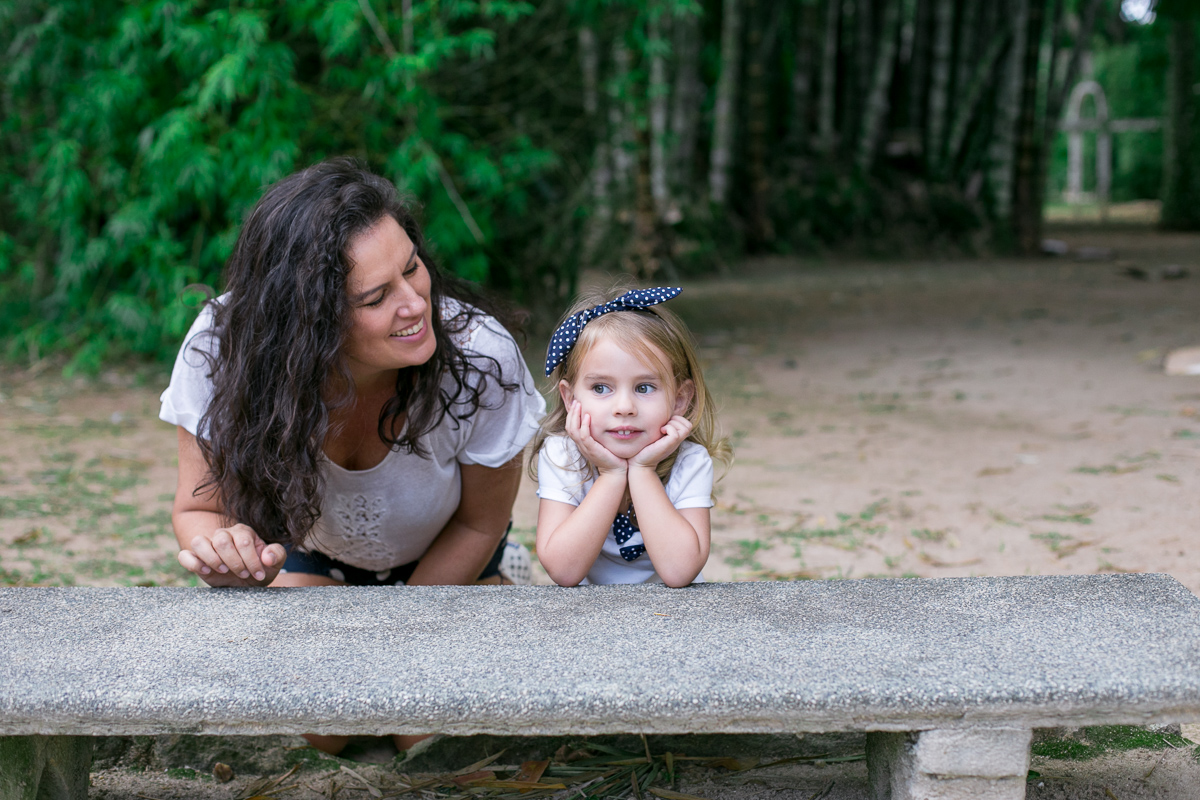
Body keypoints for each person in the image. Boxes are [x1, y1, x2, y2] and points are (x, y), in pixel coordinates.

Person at [159, 158, 544, 752]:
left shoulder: (480, 358)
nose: (416, 303)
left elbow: (479, 519)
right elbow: (196, 512)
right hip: (313, 567)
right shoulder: (222, 348)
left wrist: (394, 641)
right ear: (307, 323)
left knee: (430, 740)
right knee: (321, 734)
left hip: (446, 558)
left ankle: (497, 574)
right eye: (375, 297)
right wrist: (224, 554)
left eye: (413, 268)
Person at [533, 286, 731, 588]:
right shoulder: (562, 456)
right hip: (586, 618)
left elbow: (679, 573)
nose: (624, 408)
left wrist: (642, 471)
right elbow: (563, 571)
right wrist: (611, 475)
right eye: (601, 388)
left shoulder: (689, 462)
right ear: (571, 399)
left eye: (644, 388)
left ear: (680, 399)